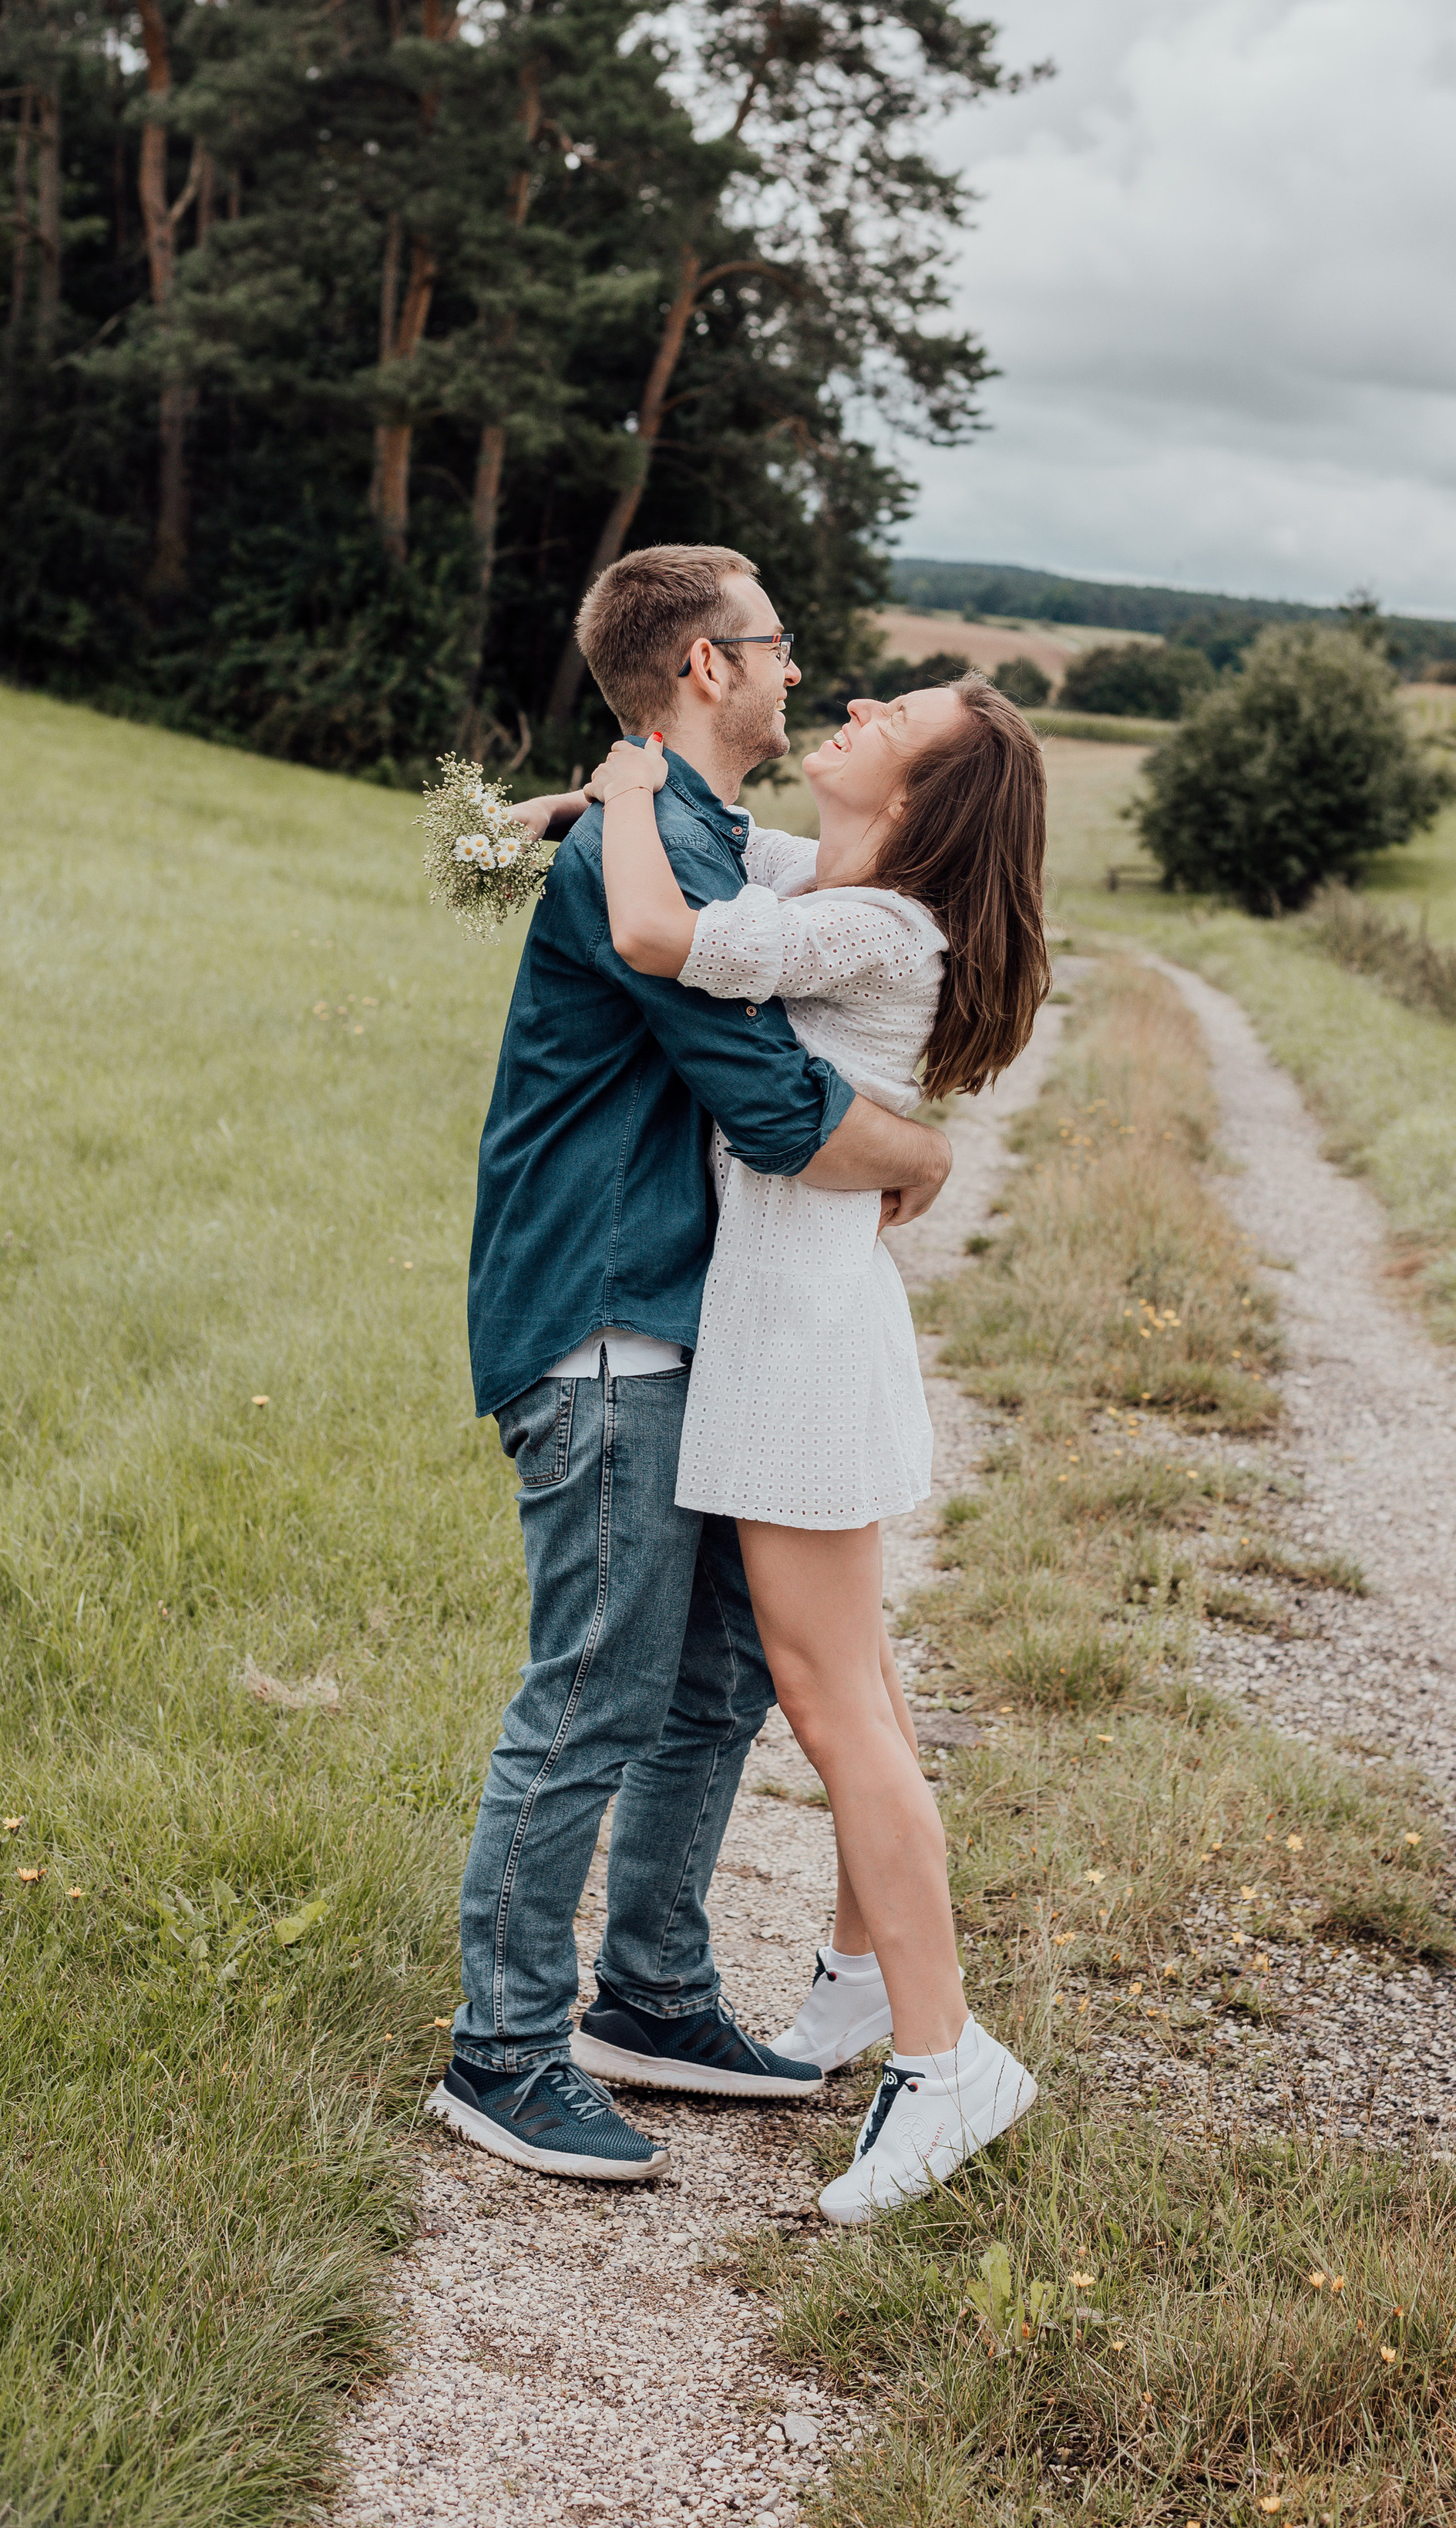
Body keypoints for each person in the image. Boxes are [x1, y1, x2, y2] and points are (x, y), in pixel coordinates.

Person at [432, 545, 952, 2185]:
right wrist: (911, 1153)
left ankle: (650, 1996)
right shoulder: (645, 853)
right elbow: (772, 1104)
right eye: (777, 645)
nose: (802, 671)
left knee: (718, 1680)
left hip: (693, 1322)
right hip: (602, 1315)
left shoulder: (692, 830)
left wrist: (560, 803)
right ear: (705, 671)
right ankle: (498, 2051)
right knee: (593, 1690)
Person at [579, 669, 1051, 2222]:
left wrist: (632, 783)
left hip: (792, 1348)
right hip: (805, 1322)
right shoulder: (833, 884)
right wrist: (583, 809)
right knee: (863, 1692)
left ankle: (944, 2059)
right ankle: (858, 1981)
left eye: (890, 719)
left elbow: (660, 931)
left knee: (832, 1700)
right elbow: (733, 851)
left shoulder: (873, 926)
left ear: (923, 802)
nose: (848, 703)